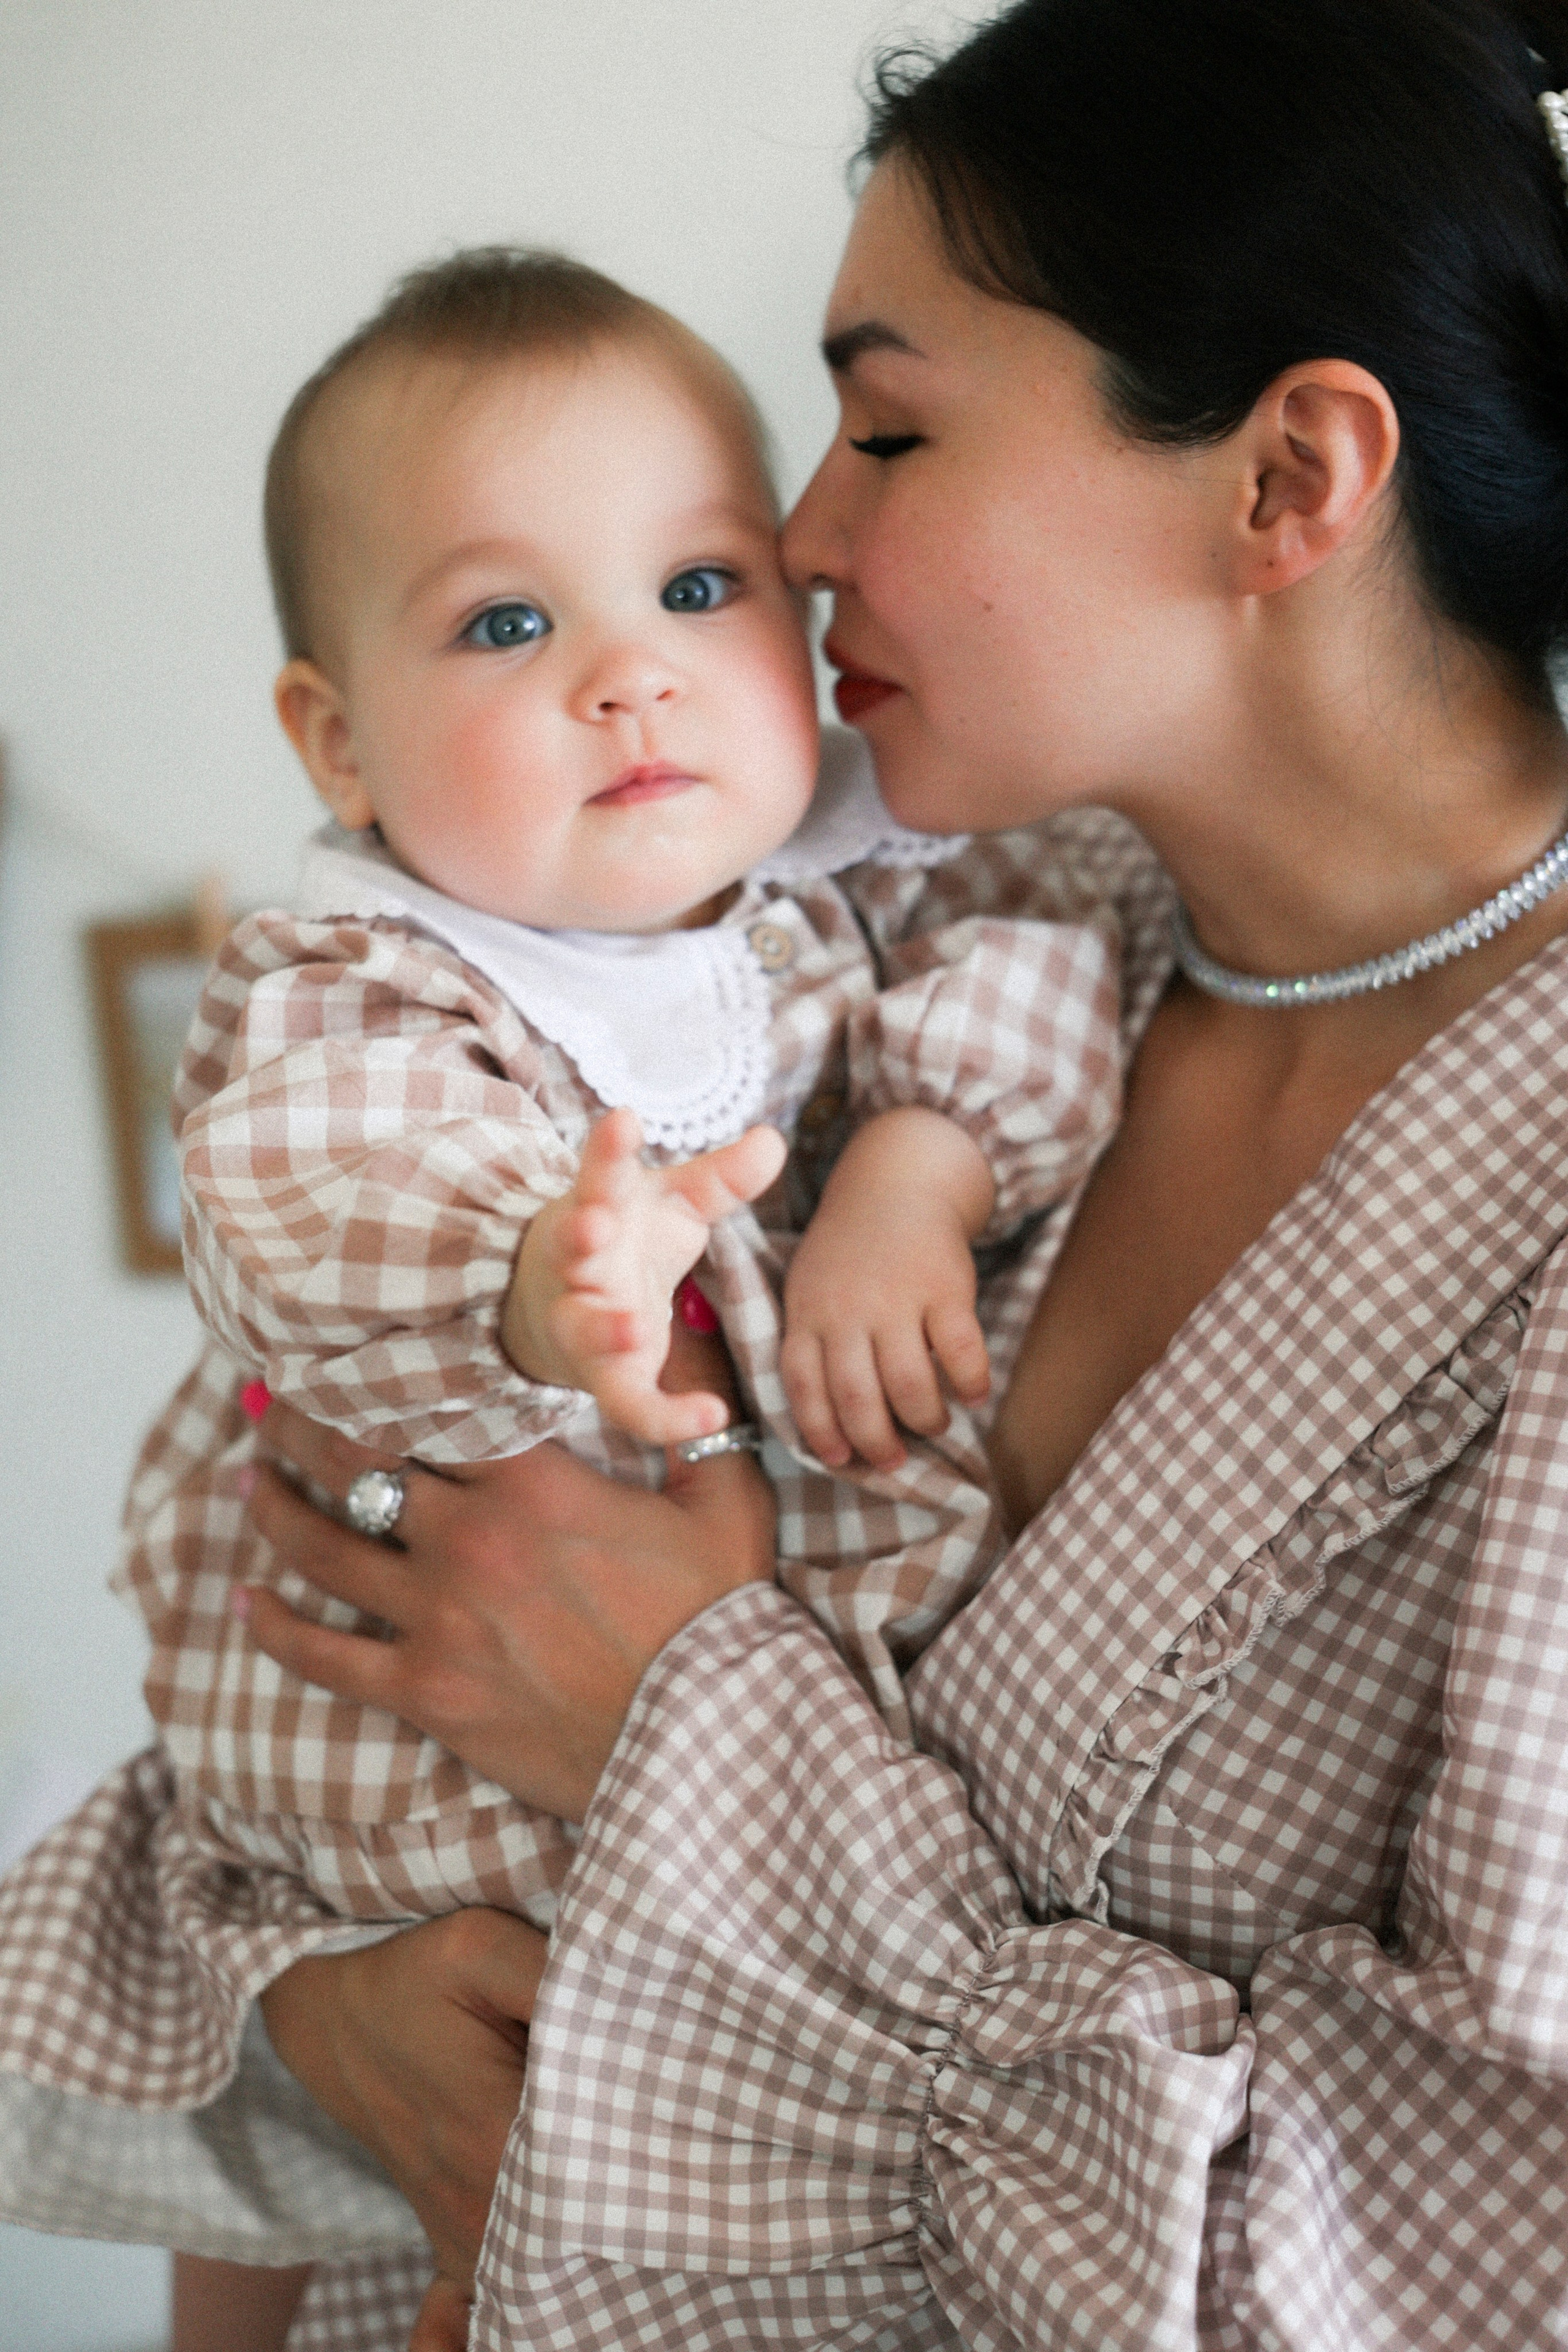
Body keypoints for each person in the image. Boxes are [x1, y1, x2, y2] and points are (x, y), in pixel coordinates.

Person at [9, 0, 1568, 2343]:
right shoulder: (887, 947)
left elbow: (1466, 2254)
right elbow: (275, 1671)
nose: (805, 535)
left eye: (891, 428)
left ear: (1288, 480)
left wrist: (683, 1721)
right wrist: (320, 2013)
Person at [0, 246, 1124, 2350]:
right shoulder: (369, 982)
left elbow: (1051, 973)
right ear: (339, 742)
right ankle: (463, 2257)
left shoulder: (873, 889)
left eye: (697, 588)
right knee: (457, 2049)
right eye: (508, 624)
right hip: (407, 1734)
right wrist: (534, 1281)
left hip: (737, 1762)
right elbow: (309, 1183)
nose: (632, 677)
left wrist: (920, 1166)